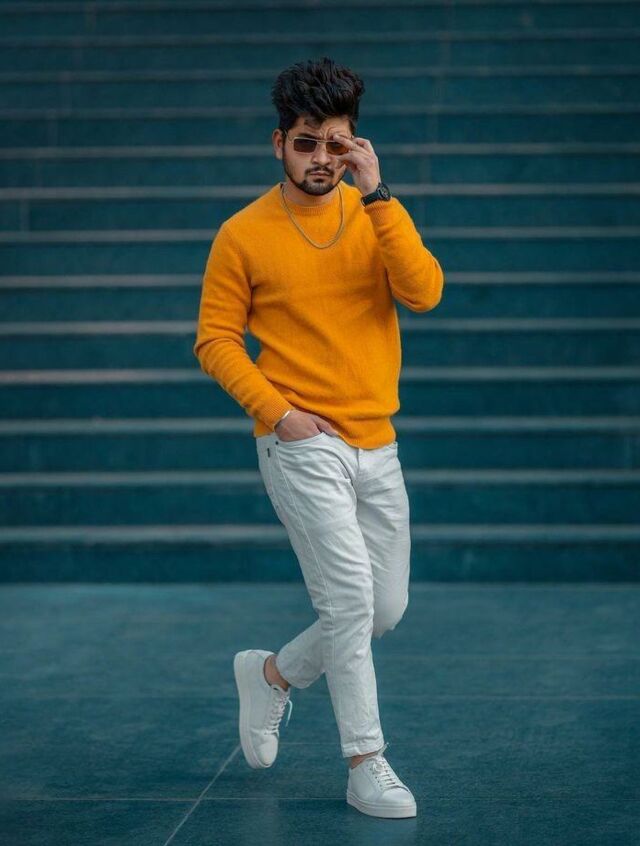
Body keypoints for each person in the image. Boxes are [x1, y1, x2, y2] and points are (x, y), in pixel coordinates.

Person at [193, 56, 444, 819]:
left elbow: (424, 292)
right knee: (348, 601)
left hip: (377, 438)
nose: (320, 159)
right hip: (301, 441)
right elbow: (215, 340)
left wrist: (380, 195)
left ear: (354, 145)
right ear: (279, 143)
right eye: (306, 143)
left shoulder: (375, 215)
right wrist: (280, 414)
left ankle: (271, 675)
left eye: (336, 144)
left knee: (383, 608)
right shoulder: (243, 234)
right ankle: (367, 762)